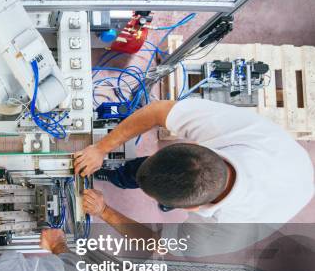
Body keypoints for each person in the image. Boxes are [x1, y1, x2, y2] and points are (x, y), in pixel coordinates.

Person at [74, 99, 314, 255]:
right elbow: (159, 110)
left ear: (195, 208)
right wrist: (100, 149)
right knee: (136, 172)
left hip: (289, 194)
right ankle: (122, 174)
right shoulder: (245, 134)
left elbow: (157, 243)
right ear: (201, 148)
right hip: (293, 161)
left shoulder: (218, 233)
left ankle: (124, 176)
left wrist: (104, 211)